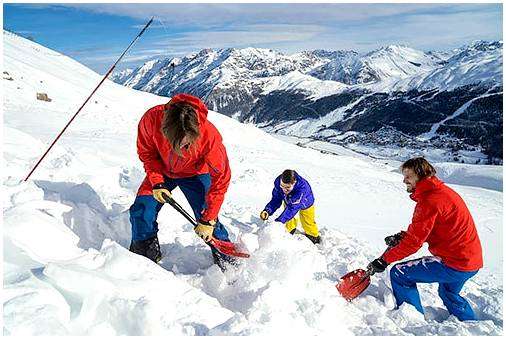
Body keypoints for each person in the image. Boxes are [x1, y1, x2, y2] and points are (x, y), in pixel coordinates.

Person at [367, 157, 483, 321]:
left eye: (408, 176)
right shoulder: (441, 192)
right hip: (471, 261)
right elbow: (428, 230)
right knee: (448, 292)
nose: (404, 180)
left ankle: (411, 319)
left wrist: (384, 260)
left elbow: (414, 243)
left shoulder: (430, 201)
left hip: (455, 263)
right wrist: (402, 236)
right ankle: (471, 324)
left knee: (400, 273)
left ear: (420, 175)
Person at [129, 93, 234, 270]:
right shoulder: (151, 119)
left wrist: (208, 221)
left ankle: (228, 258)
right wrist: (157, 182)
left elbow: (221, 179)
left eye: (186, 145)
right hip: (162, 171)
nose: (180, 150)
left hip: (195, 174)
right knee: (142, 209)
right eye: (174, 143)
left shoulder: (209, 137)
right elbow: (147, 153)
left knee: (206, 213)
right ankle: (144, 257)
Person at [260, 169, 321, 244]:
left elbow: (292, 209)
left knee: (308, 221)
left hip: (306, 202)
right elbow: (276, 199)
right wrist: (267, 210)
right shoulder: (278, 182)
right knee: (289, 220)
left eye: (287, 188)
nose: (284, 190)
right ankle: (289, 230)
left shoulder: (302, 188)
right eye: (282, 186)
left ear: (294, 183)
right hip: (289, 200)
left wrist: (278, 223)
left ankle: (313, 237)